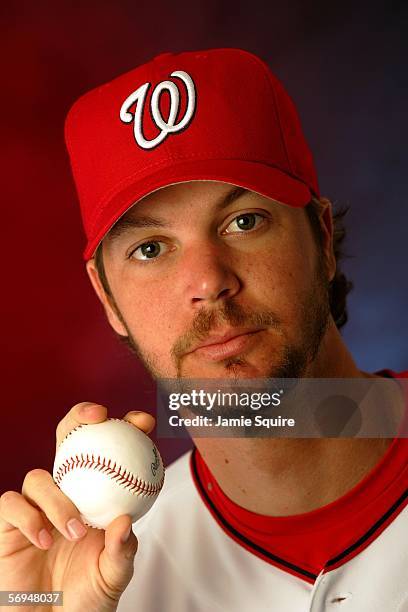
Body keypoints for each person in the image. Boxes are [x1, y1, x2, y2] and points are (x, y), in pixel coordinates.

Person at [0, 48, 407, 612]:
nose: (208, 282)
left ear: (320, 237)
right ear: (106, 297)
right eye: (150, 249)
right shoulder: (101, 574)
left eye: (243, 221)